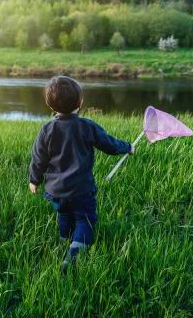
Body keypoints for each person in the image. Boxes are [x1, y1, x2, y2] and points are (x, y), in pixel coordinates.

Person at [29, 76, 133, 270]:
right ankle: (74, 256)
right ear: (80, 102)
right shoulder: (86, 126)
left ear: (49, 105)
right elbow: (109, 144)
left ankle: (63, 241)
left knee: (64, 214)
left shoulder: (47, 129)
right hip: (81, 190)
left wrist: (34, 180)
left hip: (56, 191)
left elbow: (38, 158)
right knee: (85, 219)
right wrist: (127, 147)